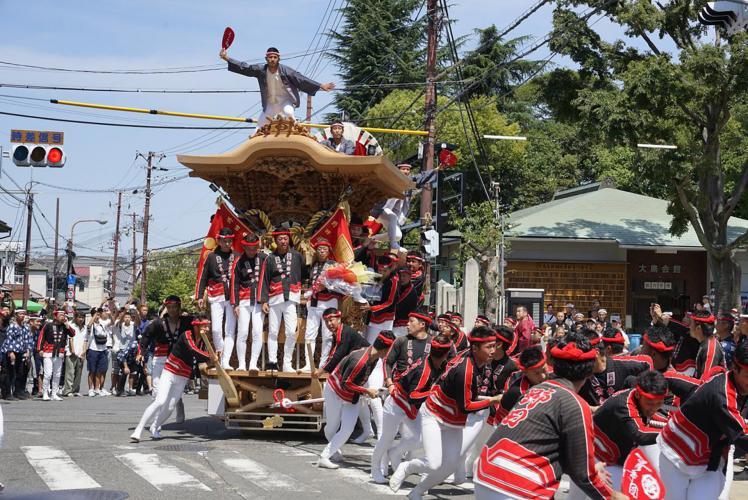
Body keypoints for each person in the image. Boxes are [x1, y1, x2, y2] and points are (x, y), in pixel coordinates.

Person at [473, 332, 623, 500]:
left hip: (485, 476)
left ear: (553, 365)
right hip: (518, 486)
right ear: (589, 372)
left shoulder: (534, 390)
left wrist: (587, 469)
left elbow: (550, 454)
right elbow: (584, 476)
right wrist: (615, 496)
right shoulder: (575, 404)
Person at [389, 326, 502, 498]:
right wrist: (493, 400)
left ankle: (416, 491)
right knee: (434, 464)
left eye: (494, 346)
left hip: (454, 420)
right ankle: (407, 467)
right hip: (434, 414)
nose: (493, 351)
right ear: (475, 348)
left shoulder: (473, 358)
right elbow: (466, 406)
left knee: (450, 465)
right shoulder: (466, 370)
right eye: (489, 347)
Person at [656, 341, 748, 499]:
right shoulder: (722, 395)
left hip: (710, 460)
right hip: (675, 454)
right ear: (734, 367)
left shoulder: (740, 385)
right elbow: (742, 435)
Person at [568, 370, 668, 498]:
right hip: (590, 456)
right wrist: (672, 431)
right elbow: (640, 435)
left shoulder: (638, 396)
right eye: (649, 403)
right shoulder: (623, 405)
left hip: (614, 458)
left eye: (658, 403)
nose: (653, 408)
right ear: (638, 394)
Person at [371, 333, 453, 483]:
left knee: (417, 440)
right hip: (396, 403)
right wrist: (434, 392)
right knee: (386, 438)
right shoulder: (424, 371)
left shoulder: (437, 364)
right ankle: (375, 469)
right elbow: (413, 396)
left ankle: (395, 453)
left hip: (411, 408)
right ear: (445, 354)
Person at [317, 330, 396, 470]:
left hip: (351, 395)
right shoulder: (359, 360)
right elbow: (345, 383)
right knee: (332, 427)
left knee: (347, 428)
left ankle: (325, 456)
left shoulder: (374, 358)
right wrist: (366, 391)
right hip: (334, 391)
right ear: (385, 349)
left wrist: (370, 392)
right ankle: (333, 449)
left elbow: (359, 382)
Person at [131, 317, 213, 442]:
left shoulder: (203, 341)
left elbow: (201, 358)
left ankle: (155, 426)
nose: (207, 329)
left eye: (208, 326)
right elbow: (193, 350)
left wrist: (212, 358)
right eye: (204, 326)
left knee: (170, 408)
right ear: (196, 326)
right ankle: (139, 429)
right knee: (160, 401)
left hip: (183, 375)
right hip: (170, 371)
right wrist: (210, 357)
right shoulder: (187, 335)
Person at [220, 46, 335, 127]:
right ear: (266, 59)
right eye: (270, 57)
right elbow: (245, 67)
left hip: (286, 100)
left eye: (275, 57)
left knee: (289, 113)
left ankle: (295, 130)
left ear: (278, 59)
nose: (272, 59)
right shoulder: (260, 70)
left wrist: (320, 86)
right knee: (258, 127)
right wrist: (227, 59)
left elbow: (302, 80)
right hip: (270, 103)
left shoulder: (286, 71)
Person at [137, 295, 193, 425]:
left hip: (177, 361)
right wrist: (141, 352)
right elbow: (146, 337)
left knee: (173, 390)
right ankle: (157, 421)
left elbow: (200, 323)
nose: (172, 310)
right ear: (166, 308)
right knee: (157, 390)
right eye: (169, 307)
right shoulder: (158, 323)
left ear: (179, 307)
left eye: (175, 307)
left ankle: (179, 404)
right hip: (160, 359)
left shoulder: (187, 321)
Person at [259, 230, 304, 372]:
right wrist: (264, 301)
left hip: (291, 297)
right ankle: (272, 362)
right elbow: (264, 280)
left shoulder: (297, 256)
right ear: (275, 241)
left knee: (291, 332)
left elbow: (304, 273)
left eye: (285, 239)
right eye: (280, 239)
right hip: (274, 298)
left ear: (289, 240)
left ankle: (287, 363)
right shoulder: (270, 258)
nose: (283, 241)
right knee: (273, 331)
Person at [578, 328, 652, 407]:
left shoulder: (621, 364)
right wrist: (591, 409)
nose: (577, 363)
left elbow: (647, 361)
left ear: (596, 353)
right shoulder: (577, 374)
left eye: (580, 358)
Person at [197, 227, 236, 369]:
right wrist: (200, 295)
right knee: (216, 330)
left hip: (232, 297)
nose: (227, 244)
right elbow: (203, 277)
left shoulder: (236, 255)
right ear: (219, 241)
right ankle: (220, 355)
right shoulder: (211, 256)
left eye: (230, 241)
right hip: (216, 295)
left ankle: (226, 360)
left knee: (230, 330)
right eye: (224, 241)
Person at [230, 233, 268, 372]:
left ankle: (253, 363)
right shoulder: (239, 261)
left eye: (254, 248)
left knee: (257, 332)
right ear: (244, 247)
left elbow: (268, 280)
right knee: (243, 332)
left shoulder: (264, 258)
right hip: (244, 301)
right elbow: (234, 283)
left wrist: (265, 301)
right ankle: (241, 364)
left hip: (259, 302)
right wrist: (235, 304)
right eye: (249, 249)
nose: (252, 251)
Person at [302, 239, 339, 372]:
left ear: (329, 251)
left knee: (328, 335)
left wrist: (327, 286)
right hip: (313, 302)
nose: (322, 251)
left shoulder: (334, 265)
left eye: (324, 249)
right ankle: (309, 364)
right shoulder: (313, 265)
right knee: (309, 333)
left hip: (329, 301)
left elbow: (340, 286)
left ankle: (323, 364)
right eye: (319, 249)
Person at [313, 308, 369, 377]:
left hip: (368, 362)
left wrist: (322, 370)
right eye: (326, 322)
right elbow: (334, 354)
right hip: (361, 361)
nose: (329, 324)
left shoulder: (345, 332)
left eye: (331, 320)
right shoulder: (338, 333)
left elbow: (339, 355)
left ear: (339, 319)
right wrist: (323, 369)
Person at [37, 311, 76, 402]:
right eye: (61, 315)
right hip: (48, 352)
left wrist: (67, 325)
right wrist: (40, 349)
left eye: (64, 315)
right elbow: (41, 337)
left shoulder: (65, 326)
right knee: (48, 374)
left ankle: (54, 393)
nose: (62, 317)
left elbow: (73, 334)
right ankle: (45, 392)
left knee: (57, 374)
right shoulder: (48, 325)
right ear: (55, 316)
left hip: (60, 352)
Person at [364, 254, 401, 344]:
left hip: (383, 319)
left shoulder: (393, 281)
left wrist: (372, 308)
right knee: (367, 342)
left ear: (390, 269)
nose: (382, 273)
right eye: (380, 270)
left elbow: (390, 302)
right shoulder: (377, 277)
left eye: (385, 271)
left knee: (376, 344)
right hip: (371, 316)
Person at [82, 307, 112, 397]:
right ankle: (90, 389)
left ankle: (97, 388)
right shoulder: (91, 325)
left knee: (100, 371)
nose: (98, 316)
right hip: (92, 350)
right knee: (92, 371)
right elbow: (89, 325)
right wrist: (95, 315)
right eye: (96, 314)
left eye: (99, 314)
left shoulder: (102, 324)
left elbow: (112, 322)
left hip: (103, 350)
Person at [689, 311, 726, 380]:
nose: (689, 326)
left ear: (698, 328)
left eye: (691, 324)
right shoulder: (706, 343)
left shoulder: (710, 348)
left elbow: (706, 381)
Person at [1, 309, 29, 400]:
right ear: (16, 315)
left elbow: (25, 339)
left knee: (19, 372)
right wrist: (10, 351)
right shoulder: (12, 326)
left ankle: (17, 391)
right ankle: (8, 393)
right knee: (9, 373)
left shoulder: (24, 326)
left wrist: (27, 350)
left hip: (20, 351)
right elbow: (9, 338)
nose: (22, 316)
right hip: (11, 351)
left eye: (23, 314)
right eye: (20, 314)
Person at [392, 268, 423, 338]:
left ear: (409, 277)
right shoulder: (399, 287)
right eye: (400, 276)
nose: (401, 278)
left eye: (404, 276)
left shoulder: (411, 292)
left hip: (402, 326)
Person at [62, 312, 86, 397]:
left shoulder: (84, 328)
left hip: (81, 353)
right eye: (79, 317)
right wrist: (72, 350)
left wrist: (84, 351)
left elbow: (85, 340)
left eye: (82, 317)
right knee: (70, 373)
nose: (81, 319)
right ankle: (68, 390)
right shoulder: (70, 325)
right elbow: (70, 338)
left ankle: (75, 390)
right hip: (71, 352)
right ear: (75, 318)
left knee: (78, 373)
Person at [110, 310, 135, 396]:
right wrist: (123, 312)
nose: (127, 318)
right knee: (119, 370)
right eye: (125, 316)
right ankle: (116, 389)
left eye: (128, 317)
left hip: (130, 351)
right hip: (120, 350)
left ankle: (122, 389)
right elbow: (119, 321)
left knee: (128, 371)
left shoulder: (132, 324)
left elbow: (137, 322)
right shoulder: (119, 324)